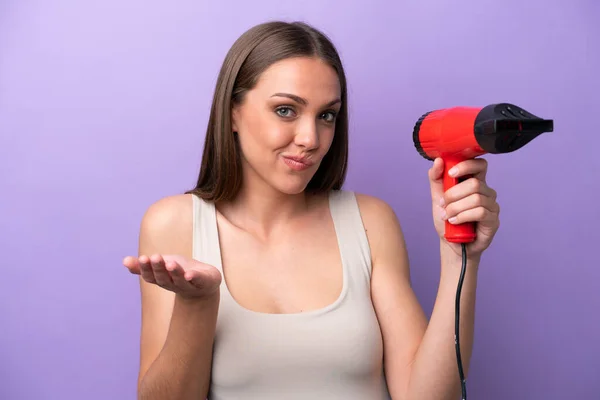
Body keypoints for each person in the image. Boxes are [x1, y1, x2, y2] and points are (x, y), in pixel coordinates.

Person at [123, 20, 500, 400]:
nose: (310, 139)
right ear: (233, 112)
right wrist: (196, 304)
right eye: (286, 110)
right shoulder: (175, 224)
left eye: (326, 115)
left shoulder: (369, 221)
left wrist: (458, 260)